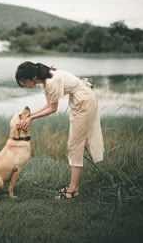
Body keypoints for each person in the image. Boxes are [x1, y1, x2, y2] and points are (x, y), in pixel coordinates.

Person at [15, 61, 104, 199]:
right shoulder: (45, 81)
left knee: (75, 145)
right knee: (74, 144)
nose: (25, 86)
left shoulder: (50, 82)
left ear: (32, 78)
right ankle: (73, 187)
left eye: (24, 82)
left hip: (84, 102)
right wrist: (31, 115)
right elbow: (49, 104)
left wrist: (32, 118)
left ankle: (73, 190)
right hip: (80, 100)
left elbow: (53, 109)